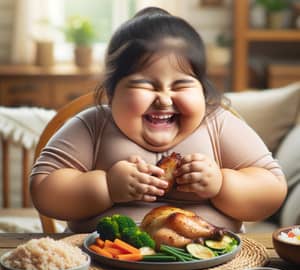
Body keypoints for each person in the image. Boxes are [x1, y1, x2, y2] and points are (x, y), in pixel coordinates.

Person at [30, 7, 287, 233]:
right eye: (144, 85)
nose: (164, 99)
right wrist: (106, 186)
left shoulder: (217, 124)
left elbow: (272, 189)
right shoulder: (93, 126)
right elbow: (43, 189)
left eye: (181, 84)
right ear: (111, 93)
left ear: (203, 92)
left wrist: (221, 184)